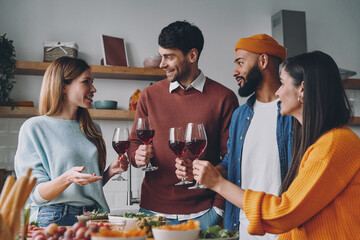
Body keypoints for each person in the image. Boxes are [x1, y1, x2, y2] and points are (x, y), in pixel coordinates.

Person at [193, 50, 360, 239]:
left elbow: (285, 213)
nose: (278, 92)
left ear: (302, 89)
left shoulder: (333, 145)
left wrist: (218, 184)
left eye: (282, 83)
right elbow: (300, 221)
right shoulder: (321, 141)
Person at [177, 33, 292, 238]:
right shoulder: (240, 115)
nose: (235, 71)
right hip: (243, 226)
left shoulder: (294, 113)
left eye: (240, 63)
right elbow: (232, 162)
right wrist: (207, 172)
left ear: (263, 61)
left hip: (283, 227)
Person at [127, 20, 239, 229]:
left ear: (192, 55)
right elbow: (133, 145)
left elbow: (232, 159)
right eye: (161, 56)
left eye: (169, 57)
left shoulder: (224, 98)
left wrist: (218, 209)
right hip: (152, 214)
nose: (162, 64)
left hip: (205, 215)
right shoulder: (149, 95)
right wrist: (137, 156)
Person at [14, 57, 129, 227]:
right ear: (62, 87)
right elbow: (35, 195)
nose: (93, 89)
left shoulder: (92, 128)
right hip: (56, 217)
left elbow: (85, 188)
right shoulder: (34, 128)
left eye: (93, 82)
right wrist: (67, 178)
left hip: (95, 216)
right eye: (86, 82)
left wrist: (109, 172)